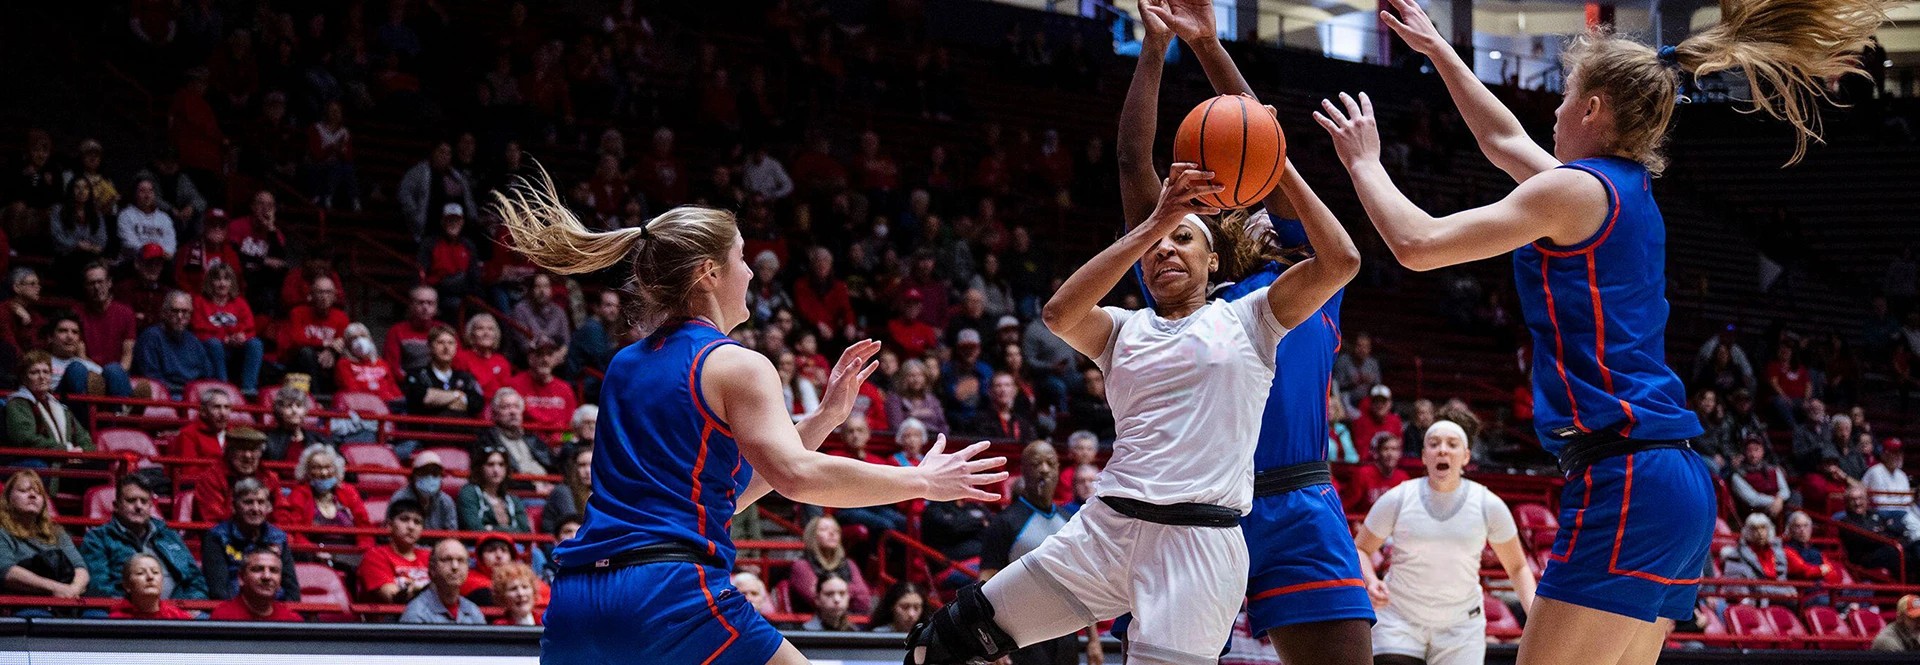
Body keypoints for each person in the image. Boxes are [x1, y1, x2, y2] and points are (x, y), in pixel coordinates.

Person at [1317, 0, 1884, 657]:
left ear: (1592, 108)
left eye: (1564, 98)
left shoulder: (1576, 191)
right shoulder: (1617, 189)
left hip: (1628, 475)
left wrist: (1363, 163)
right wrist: (1439, 51)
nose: (1553, 113)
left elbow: (1417, 244)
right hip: (1674, 479)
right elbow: (1501, 141)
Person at [907, 72, 1355, 659]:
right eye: (1154, 245)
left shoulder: (1252, 316)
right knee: (935, 647)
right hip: (1106, 529)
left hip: (1206, 533)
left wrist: (1271, 155)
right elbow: (1060, 310)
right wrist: (1154, 221)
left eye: (1183, 239)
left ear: (1213, 258)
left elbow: (1340, 258)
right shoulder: (1124, 325)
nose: (1165, 248)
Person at [494, 175, 1003, 664]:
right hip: (669, 592)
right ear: (709, 273)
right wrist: (923, 480)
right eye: (741, 257)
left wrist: (824, 418)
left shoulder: (625, 364)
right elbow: (797, 476)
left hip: (579, 597)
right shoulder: (738, 363)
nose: (753, 272)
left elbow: (724, 495)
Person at [1355, 416, 1536, 665]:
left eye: (1452, 444)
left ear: (1466, 457)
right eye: (1434, 443)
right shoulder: (1398, 498)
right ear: (1423, 456)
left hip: (1461, 627)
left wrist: (1535, 618)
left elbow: (1518, 567)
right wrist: (1371, 581)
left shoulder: (1488, 504)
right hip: (1399, 620)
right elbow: (1361, 549)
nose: (1442, 449)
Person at [979, 441, 1092, 665]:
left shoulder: (1070, 521)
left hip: (1066, 629)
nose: (1044, 469)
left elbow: (1083, 582)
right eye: (1036, 463)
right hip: (1022, 633)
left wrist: (1093, 640)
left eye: (1050, 463)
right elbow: (985, 584)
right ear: (1023, 471)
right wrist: (993, 643)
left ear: (1059, 469)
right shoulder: (1004, 522)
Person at [80, 476, 208, 601]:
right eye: (131, 500)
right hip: (125, 612)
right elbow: (99, 587)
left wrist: (189, 605)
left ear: (150, 506)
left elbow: (196, 580)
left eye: (144, 501)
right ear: (116, 505)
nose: (138, 506)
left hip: (177, 611)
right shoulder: (97, 538)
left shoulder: (168, 535)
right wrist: (139, 608)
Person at [202, 478, 300, 601]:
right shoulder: (216, 537)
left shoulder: (278, 537)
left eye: (261, 502)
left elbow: (292, 591)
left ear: (268, 507)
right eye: (248, 502)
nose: (255, 509)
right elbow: (218, 591)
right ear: (234, 506)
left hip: (273, 609)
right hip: (234, 610)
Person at [0, 470, 89, 601]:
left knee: (96, 615)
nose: (32, 495)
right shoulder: (2, 532)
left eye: (38, 492)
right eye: (24, 491)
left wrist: (74, 589)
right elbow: (6, 571)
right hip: (21, 601)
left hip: (66, 598)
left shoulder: (57, 532)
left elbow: (80, 567)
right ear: (8, 499)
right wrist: (56, 588)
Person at [275, 445, 374, 552]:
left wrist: (362, 550)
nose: (324, 473)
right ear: (307, 472)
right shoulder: (299, 494)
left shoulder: (348, 491)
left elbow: (364, 526)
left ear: (336, 469)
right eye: (317, 468)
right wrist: (315, 552)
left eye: (328, 467)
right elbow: (296, 533)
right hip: (313, 554)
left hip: (350, 551)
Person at [189, 264, 261, 395]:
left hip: (235, 349)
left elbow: (250, 328)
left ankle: (248, 389)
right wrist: (224, 338)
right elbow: (198, 330)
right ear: (210, 282)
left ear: (232, 282)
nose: (222, 284)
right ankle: (223, 387)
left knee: (255, 344)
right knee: (214, 343)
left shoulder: (240, 302)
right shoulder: (200, 302)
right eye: (217, 279)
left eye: (226, 279)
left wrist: (241, 336)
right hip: (210, 349)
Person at [7, 351, 94, 454]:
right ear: (24, 378)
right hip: (41, 461)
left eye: (46, 372)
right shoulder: (18, 404)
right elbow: (25, 438)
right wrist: (65, 450)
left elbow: (84, 438)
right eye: (34, 372)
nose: (42, 377)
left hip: (70, 459)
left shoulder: (60, 406)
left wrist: (82, 450)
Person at [134, 291, 219, 395]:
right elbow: (151, 378)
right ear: (164, 313)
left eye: (185, 312)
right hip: (165, 395)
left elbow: (207, 375)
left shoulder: (194, 341)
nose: (180, 316)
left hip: (193, 395)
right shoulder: (150, 337)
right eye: (175, 311)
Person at [187, 427, 279, 522]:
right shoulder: (211, 478)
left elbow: (280, 514)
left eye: (253, 450)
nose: (247, 455)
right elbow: (213, 519)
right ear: (229, 452)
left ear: (261, 453)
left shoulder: (269, 477)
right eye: (241, 449)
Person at [787, 515, 874, 614]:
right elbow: (817, 600)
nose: (832, 533)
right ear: (812, 535)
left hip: (849, 621)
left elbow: (864, 600)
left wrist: (830, 591)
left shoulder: (849, 564)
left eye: (836, 530)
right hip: (810, 625)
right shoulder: (801, 566)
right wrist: (849, 592)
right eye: (824, 529)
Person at [278, 275, 351, 386]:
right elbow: (297, 340)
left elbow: (342, 342)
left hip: (327, 360)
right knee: (307, 353)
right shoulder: (298, 312)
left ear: (335, 296)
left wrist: (331, 350)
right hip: (297, 362)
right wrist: (326, 343)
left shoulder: (341, 317)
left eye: (328, 292)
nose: (324, 296)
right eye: (320, 292)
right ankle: (317, 397)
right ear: (311, 295)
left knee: (343, 358)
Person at [357, 499, 431, 603]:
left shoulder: (430, 556)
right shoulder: (374, 556)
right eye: (404, 519)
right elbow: (393, 598)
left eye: (417, 522)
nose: (411, 527)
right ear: (389, 525)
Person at [402, 325, 483, 420]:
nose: (446, 347)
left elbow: (477, 403)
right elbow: (421, 398)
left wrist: (437, 401)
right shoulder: (416, 374)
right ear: (430, 346)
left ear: (456, 347)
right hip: (426, 432)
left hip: (459, 432)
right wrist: (457, 395)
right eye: (440, 342)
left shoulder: (465, 377)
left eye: (450, 343)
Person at [399, 538, 486, 624]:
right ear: (432, 568)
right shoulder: (416, 613)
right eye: (447, 560)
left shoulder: (473, 611)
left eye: (460, 560)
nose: (455, 566)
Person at [207, 549, 303, 622]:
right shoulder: (222, 617)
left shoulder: (292, 620)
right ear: (241, 577)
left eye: (274, 570)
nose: (266, 576)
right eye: (257, 569)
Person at [504, 341, 577, 436]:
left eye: (549, 355)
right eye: (539, 354)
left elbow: (570, 425)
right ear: (530, 358)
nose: (545, 359)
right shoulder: (514, 385)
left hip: (558, 445)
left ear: (556, 359)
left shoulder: (565, 388)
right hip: (526, 442)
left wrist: (565, 445)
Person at [78, 263, 138, 371]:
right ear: (85, 286)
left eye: (100, 282)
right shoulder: (78, 313)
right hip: (89, 372)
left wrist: (115, 375)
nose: (96, 287)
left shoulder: (126, 313)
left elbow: (127, 355)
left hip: (118, 372)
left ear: (109, 283)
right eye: (91, 283)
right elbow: (80, 354)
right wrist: (100, 375)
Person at [1719, 512, 1796, 598]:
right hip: (1755, 600)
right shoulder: (1736, 555)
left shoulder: (1778, 552)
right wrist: (1782, 593)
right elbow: (1750, 588)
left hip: (1777, 595)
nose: (1760, 532)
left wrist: (1790, 590)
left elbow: (1782, 580)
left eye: (1763, 528)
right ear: (1747, 531)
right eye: (1754, 529)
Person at [459, 446, 532, 533]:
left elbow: (525, 531)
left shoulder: (513, 499)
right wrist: (510, 531)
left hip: (514, 545)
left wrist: (490, 528)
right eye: (490, 464)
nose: (496, 470)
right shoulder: (469, 493)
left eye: (501, 465)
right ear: (480, 468)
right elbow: (474, 528)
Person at [108, 554, 195, 619]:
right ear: (126, 585)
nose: (150, 577)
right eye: (140, 573)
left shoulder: (179, 617)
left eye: (155, 572)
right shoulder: (116, 620)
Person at [389, 451, 459, 531]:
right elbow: (389, 530)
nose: (430, 478)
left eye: (435, 474)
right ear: (414, 476)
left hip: (438, 543)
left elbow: (452, 534)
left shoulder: (446, 502)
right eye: (425, 473)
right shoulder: (399, 498)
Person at [1730, 436, 1793, 521]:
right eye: (1749, 450)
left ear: (1763, 451)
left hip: (1779, 505)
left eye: (1756, 450)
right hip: (1757, 513)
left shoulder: (1773, 469)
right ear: (1744, 453)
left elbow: (1785, 490)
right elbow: (1753, 499)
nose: (1753, 455)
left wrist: (1779, 500)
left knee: (1796, 497)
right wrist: (1775, 502)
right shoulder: (1738, 476)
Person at [1344, 433, 1410, 513]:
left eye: (1394, 449)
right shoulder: (1363, 474)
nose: (1390, 454)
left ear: (1400, 454)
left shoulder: (1403, 477)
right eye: (1385, 449)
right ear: (1377, 453)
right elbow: (1347, 506)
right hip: (1364, 521)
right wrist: (1355, 523)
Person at [263, 387, 330, 462]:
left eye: (299, 406)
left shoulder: (319, 440)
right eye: (288, 406)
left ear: (305, 411)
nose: (294, 410)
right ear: (279, 411)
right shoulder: (267, 440)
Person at [386, 286, 442, 373]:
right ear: (411, 305)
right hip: (408, 383)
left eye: (430, 303)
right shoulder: (397, 331)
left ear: (436, 307)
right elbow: (392, 367)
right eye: (420, 303)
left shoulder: (444, 330)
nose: (425, 307)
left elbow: (457, 362)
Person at [455, 313, 511, 398]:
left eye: (491, 329)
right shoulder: (461, 358)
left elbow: (506, 391)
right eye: (480, 329)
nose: (486, 333)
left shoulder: (501, 361)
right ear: (471, 334)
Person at [886, 358, 948, 434]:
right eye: (912, 376)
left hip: (933, 439)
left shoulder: (932, 400)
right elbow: (896, 426)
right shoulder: (895, 399)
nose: (916, 379)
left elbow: (943, 426)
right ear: (904, 378)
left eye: (920, 375)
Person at [543, 446, 592, 535]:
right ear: (573, 468)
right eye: (582, 465)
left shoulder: (599, 493)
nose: (588, 471)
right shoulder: (562, 492)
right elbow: (574, 524)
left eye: (592, 465)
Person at [175, 389, 236, 460]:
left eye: (226, 407)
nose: (223, 413)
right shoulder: (188, 434)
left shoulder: (235, 434)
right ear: (203, 411)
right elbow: (189, 470)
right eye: (216, 407)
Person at [492, 561, 542, 626]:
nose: (521, 593)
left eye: (525, 587)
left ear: (534, 592)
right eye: (513, 589)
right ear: (502, 597)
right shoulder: (499, 627)